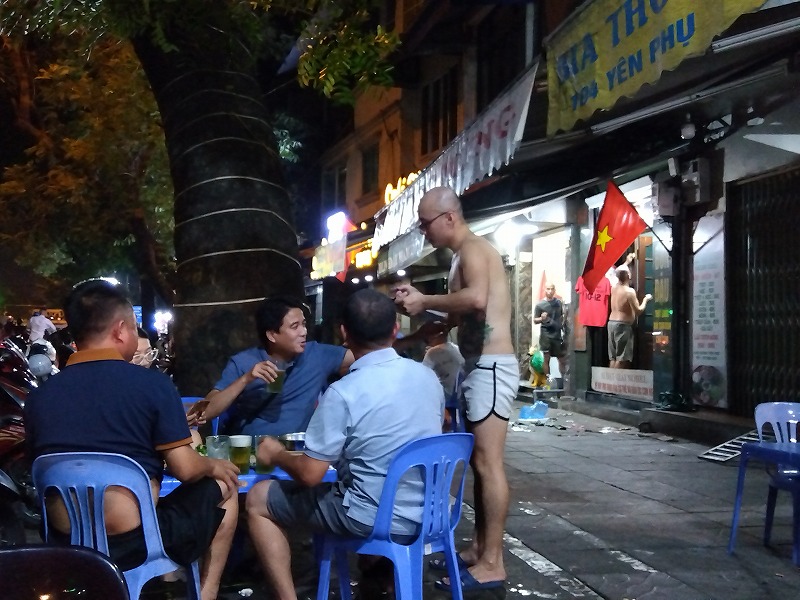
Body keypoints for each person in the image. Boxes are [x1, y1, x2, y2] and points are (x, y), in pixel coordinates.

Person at [24, 279, 240, 600]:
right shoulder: (152, 386)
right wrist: (213, 465)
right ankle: (206, 594)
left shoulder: (39, 398)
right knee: (226, 487)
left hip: (65, 540)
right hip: (135, 541)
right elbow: (186, 470)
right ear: (122, 330)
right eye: (136, 328)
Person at [245, 289, 443, 599]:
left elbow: (310, 474)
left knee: (258, 498)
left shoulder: (344, 392)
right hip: (431, 512)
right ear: (395, 329)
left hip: (371, 517)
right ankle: (384, 577)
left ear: (344, 333)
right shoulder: (427, 377)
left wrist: (276, 454)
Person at [392, 186, 517, 590]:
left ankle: (493, 561)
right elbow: (471, 307)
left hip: (493, 367)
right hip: (479, 365)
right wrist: (435, 324)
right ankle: (481, 547)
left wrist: (425, 298)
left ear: (449, 217)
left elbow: (477, 298)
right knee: (479, 462)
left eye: (426, 223)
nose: (424, 232)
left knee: (488, 463)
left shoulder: (476, 248)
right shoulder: (464, 255)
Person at [192, 296, 354, 436]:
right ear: (271, 335)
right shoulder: (244, 362)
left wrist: (350, 341)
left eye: (304, 324)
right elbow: (206, 412)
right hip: (252, 452)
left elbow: (366, 356)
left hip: (297, 455)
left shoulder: (317, 354)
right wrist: (245, 379)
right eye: (294, 326)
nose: (303, 331)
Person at [422, 322, 465, 429]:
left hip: (448, 396)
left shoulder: (432, 353)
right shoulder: (456, 348)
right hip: (459, 392)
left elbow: (423, 376)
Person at [608, 265, 652, 368]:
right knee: (622, 358)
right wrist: (646, 299)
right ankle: (617, 383)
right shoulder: (629, 292)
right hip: (623, 326)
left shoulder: (613, 288)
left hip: (611, 324)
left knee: (613, 357)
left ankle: (610, 382)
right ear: (629, 275)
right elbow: (638, 311)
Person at [533, 283, 567, 383]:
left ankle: (564, 380)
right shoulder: (540, 304)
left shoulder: (558, 303)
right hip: (546, 334)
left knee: (561, 358)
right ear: (545, 290)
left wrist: (563, 326)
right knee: (546, 357)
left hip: (556, 334)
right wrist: (542, 318)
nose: (550, 291)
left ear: (554, 290)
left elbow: (561, 316)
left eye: (552, 289)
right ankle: (548, 380)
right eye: (548, 289)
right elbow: (535, 320)